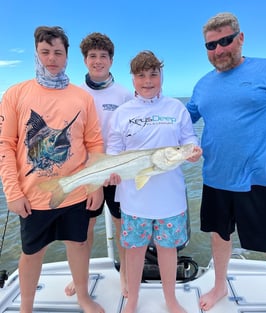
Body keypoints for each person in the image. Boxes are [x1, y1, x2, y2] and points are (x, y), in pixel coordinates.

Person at [0, 26, 108, 313]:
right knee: (32, 253)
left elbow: (94, 142)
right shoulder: (15, 94)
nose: (52, 59)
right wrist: (12, 191)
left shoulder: (81, 97)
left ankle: (83, 296)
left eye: (58, 52)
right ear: (36, 54)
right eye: (45, 52)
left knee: (79, 244)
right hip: (33, 196)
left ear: (67, 56)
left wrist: (95, 184)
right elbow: (5, 146)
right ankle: (26, 307)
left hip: (75, 192)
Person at [186, 12, 266, 311]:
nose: (219, 50)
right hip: (216, 177)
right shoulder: (202, 85)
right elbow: (180, 122)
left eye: (225, 41)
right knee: (219, 236)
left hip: (262, 179)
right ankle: (219, 286)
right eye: (211, 45)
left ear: (240, 38)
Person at [106, 50, 202, 313]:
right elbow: (114, 147)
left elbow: (188, 138)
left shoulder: (175, 108)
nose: (147, 81)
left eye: (153, 74)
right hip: (133, 199)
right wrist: (111, 171)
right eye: (141, 76)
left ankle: (170, 299)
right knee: (135, 250)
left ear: (161, 75)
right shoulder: (123, 112)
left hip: (170, 198)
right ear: (133, 79)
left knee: (168, 250)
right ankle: (133, 299)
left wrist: (193, 150)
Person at [65, 32, 132, 297]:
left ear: (111, 60)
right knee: (85, 229)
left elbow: (131, 135)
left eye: (103, 56)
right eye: (92, 56)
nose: (98, 61)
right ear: (84, 60)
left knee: (121, 225)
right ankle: (79, 276)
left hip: (117, 172)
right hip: (86, 173)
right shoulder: (73, 93)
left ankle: (125, 274)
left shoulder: (125, 94)